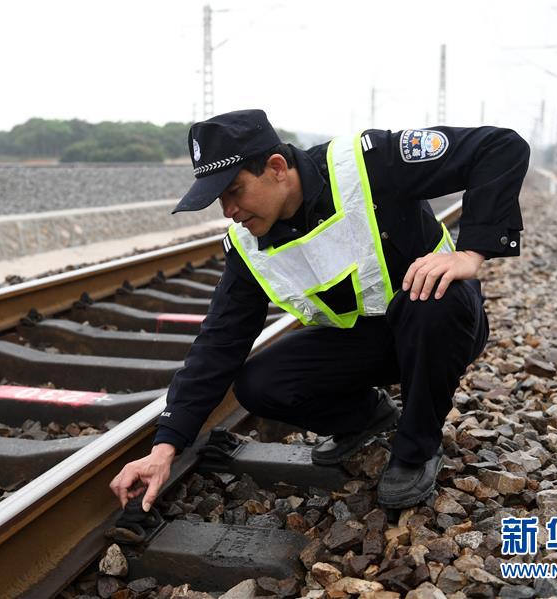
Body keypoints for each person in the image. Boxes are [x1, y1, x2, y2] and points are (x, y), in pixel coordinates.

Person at [110, 109, 528, 512]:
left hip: (441, 327)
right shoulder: (246, 247)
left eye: (233, 191)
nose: (229, 212)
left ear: (276, 167)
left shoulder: (368, 163)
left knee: (434, 297)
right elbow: (218, 343)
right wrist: (165, 448)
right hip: (369, 347)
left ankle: (416, 449)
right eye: (220, 200)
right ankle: (367, 417)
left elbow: (500, 146)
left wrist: (472, 252)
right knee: (259, 382)